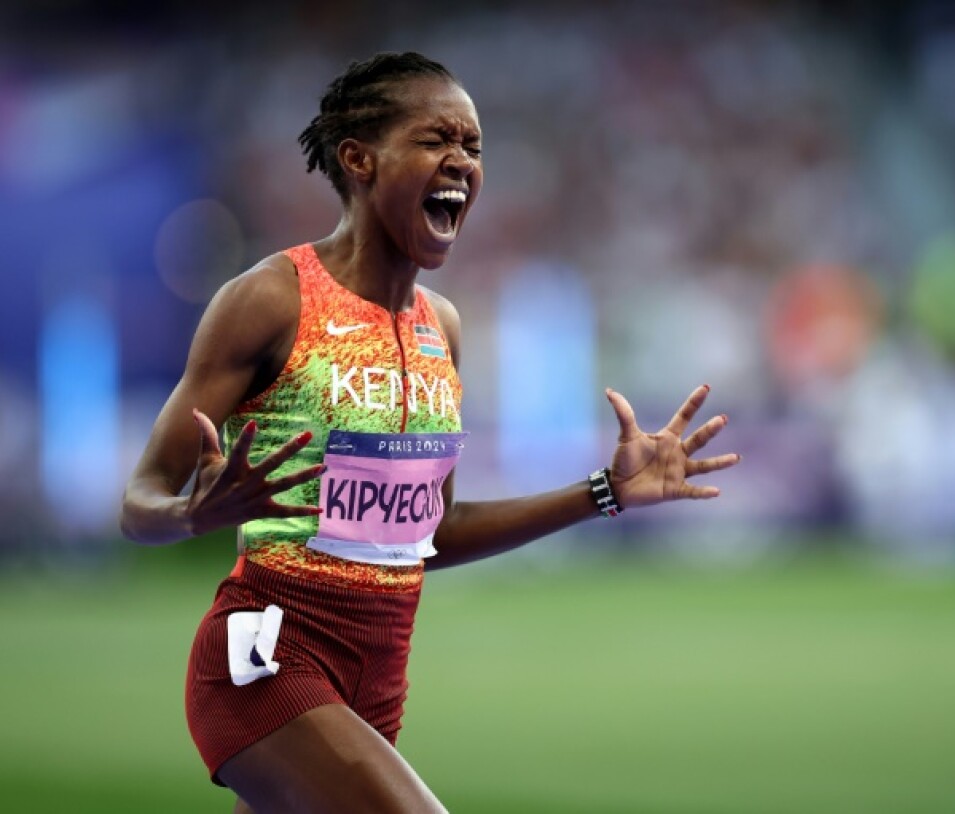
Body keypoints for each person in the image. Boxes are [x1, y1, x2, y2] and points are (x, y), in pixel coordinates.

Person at [120, 51, 740, 814]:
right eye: (436, 139)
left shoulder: (441, 327)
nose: (462, 161)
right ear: (359, 159)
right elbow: (138, 500)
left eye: (474, 147)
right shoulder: (270, 300)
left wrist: (604, 493)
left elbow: (432, 533)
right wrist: (189, 513)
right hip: (269, 656)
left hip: (377, 681)